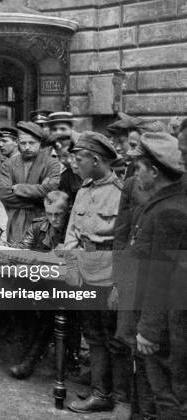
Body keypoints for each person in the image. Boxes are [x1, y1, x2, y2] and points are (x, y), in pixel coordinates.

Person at [62, 132, 132, 415]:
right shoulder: (83, 189)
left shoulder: (122, 192)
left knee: (116, 338)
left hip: (111, 270)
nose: (74, 164)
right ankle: (101, 392)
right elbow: (71, 234)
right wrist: (70, 267)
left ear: (96, 159)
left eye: (79, 159)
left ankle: (122, 398)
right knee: (92, 334)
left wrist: (121, 282)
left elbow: (126, 241)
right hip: (85, 267)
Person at [127, 132, 187, 420]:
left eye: (138, 168)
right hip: (159, 319)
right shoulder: (165, 202)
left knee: (166, 397)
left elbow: (164, 275)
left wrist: (149, 329)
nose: (135, 174)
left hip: (163, 325)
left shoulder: (169, 212)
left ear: (153, 171)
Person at [7, 190, 70, 380]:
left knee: (48, 311)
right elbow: (22, 248)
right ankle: (25, 356)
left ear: (67, 211)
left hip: (69, 285)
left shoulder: (74, 229)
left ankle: (29, 362)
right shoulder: (39, 226)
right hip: (42, 283)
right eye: (49, 214)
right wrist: (1, 247)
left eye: (58, 214)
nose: (53, 219)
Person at [0, 121, 61, 243]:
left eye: (31, 143)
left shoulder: (51, 163)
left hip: (42, 221)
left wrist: (19, 188)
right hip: (14, 220)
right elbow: (3, 194)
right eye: (23, 143)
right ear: (18, 143)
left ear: (40, 143)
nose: (27, 147)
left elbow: (51, 191)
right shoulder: (9, 164)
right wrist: (38, 198)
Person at [51, 133, 82, 205]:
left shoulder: (93, 170)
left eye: (65, 155)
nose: (62, 161)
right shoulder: (65, 177)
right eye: (59, 156)